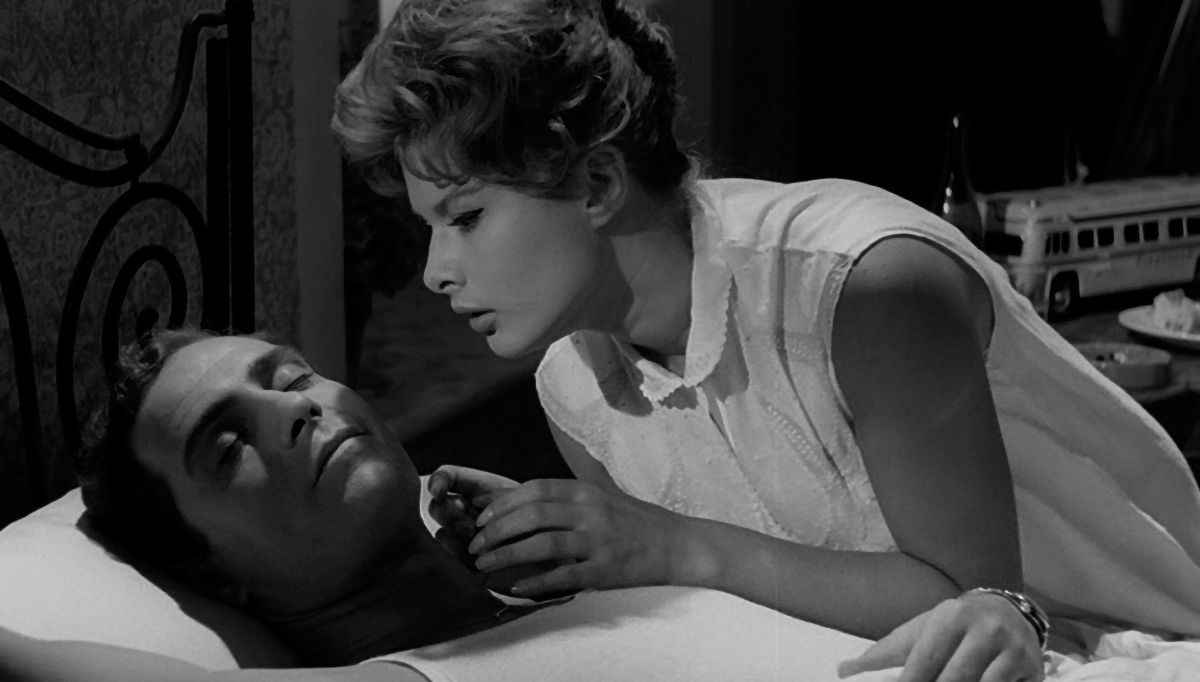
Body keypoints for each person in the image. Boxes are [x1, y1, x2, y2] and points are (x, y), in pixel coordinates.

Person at [329, 0, 1200, 680]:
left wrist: (662, 542)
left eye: (466, 218)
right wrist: (567, 548)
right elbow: (717, 608)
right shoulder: (573, 383)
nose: (435, 271)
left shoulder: (864, 283)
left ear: (596, 184)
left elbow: (973, 601)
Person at [0, 329, 895, 681]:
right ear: (209, 574)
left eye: (291, 376)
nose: (293, 411)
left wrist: (983, 622)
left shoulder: (609, 570)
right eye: (228, 444)